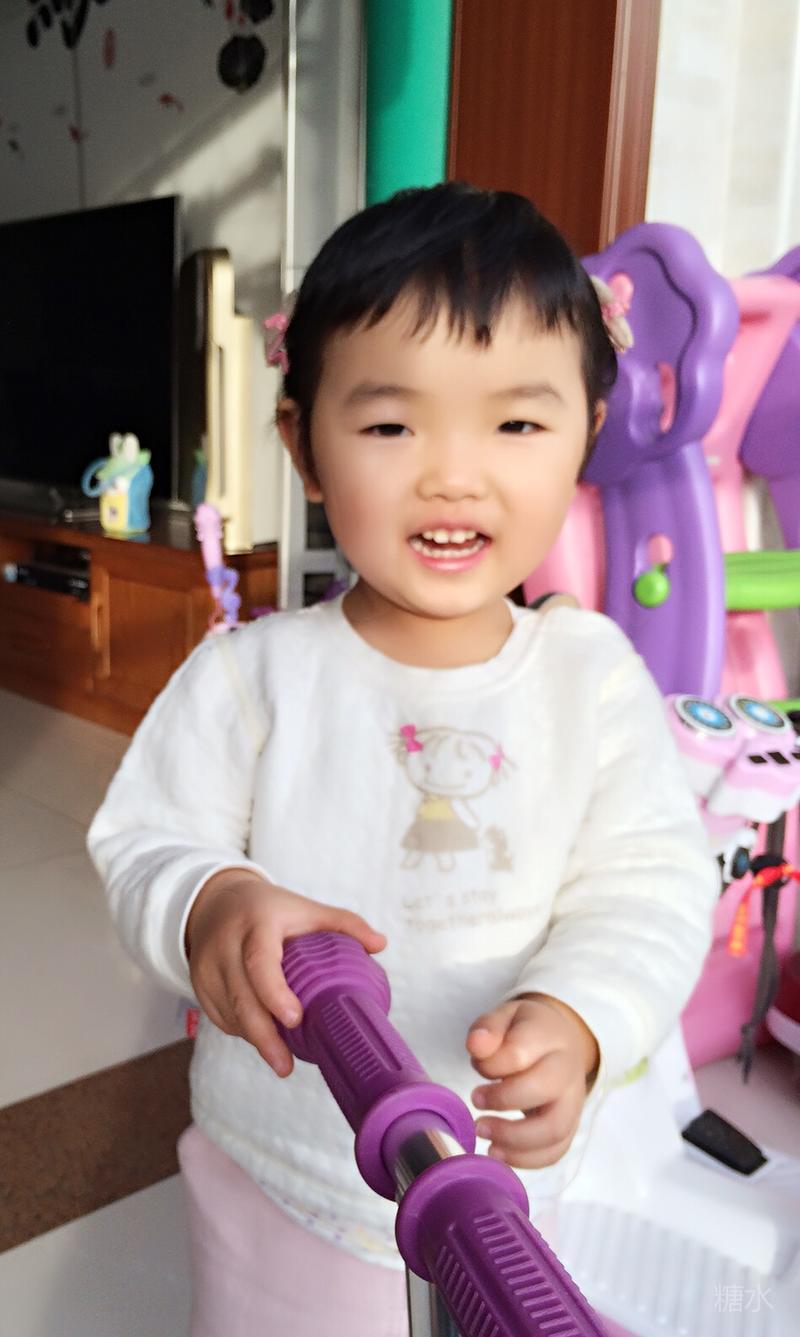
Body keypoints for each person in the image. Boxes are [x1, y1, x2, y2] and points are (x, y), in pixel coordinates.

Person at [87, 182, 718, 1336]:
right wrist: (210, 899)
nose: (452, 475)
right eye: (390, 426)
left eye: (515, 425)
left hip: (499, 1175)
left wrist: (580, 1015)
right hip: (279, 1161)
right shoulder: (252, 675)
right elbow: (144, 838)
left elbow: (650, 882)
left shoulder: (589, 678)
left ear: (585, 432)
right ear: (304, 447)